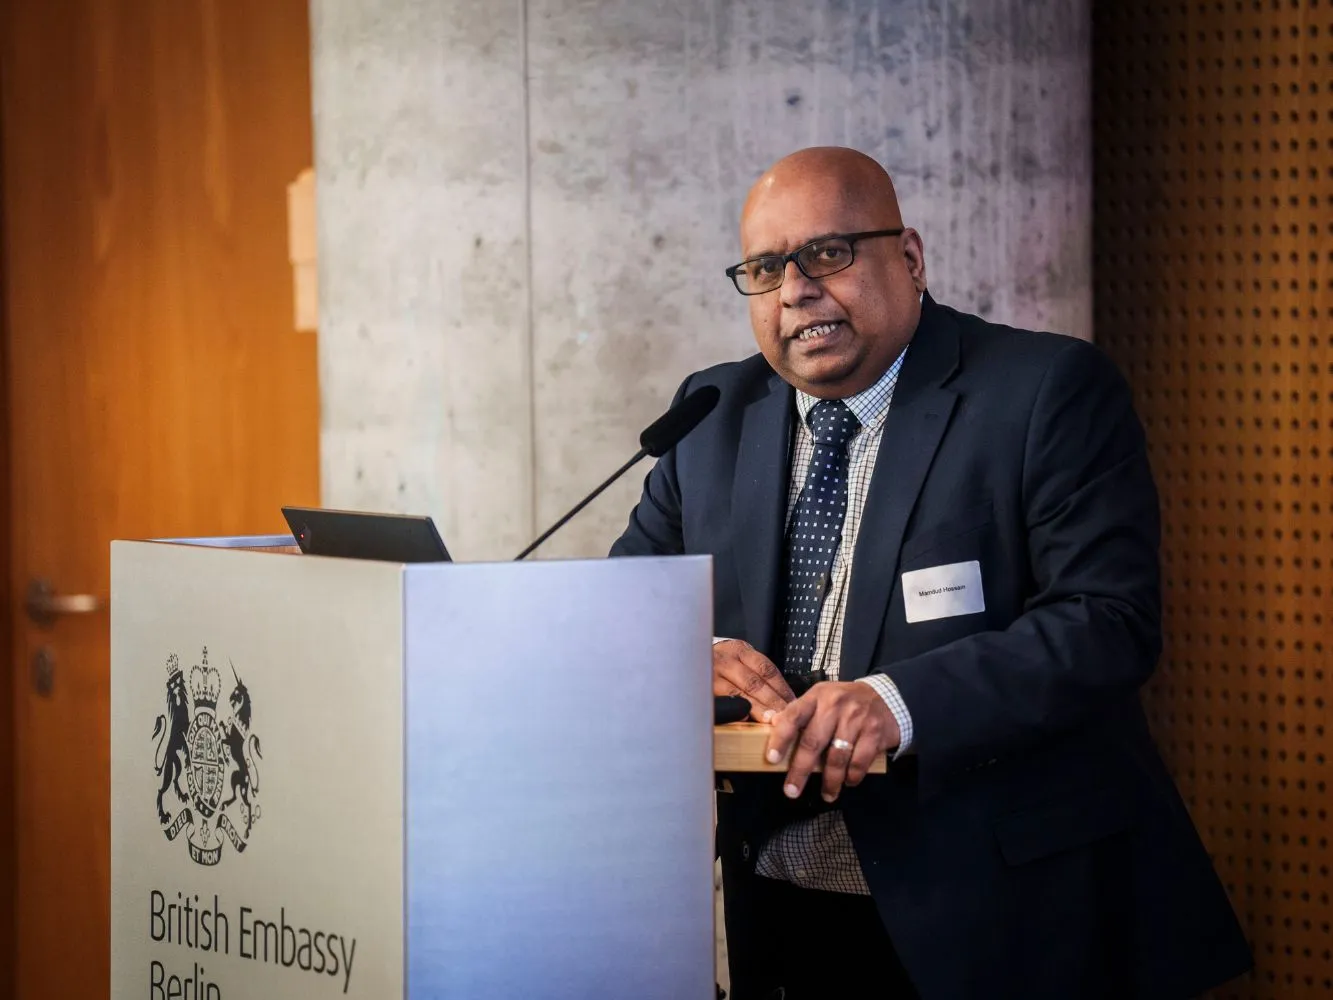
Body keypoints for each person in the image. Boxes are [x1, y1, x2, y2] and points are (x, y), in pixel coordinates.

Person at [609, 147, 1252, 999]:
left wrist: (895, 702)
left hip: (1004, 912)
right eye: (765, 269)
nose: (796, 287)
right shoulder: (712, 416)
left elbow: (1105, 622)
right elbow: (624, 614)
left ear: (908, 258)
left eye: (827, 254)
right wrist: (689, 652)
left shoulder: (1042, 391)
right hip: (782, 903)